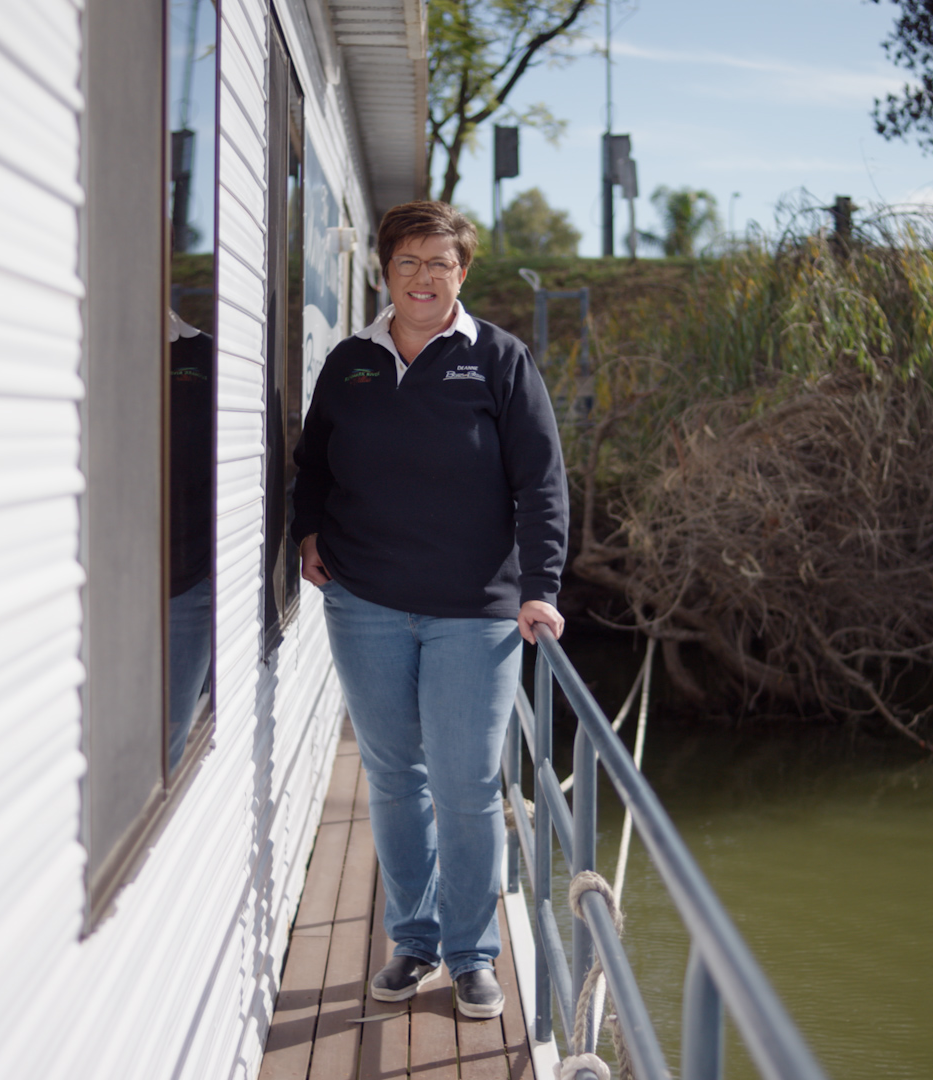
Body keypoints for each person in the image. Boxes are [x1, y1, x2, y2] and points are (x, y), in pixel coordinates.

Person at [290, 200, 569, 1020]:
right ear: (386, 270)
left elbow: (541, 484)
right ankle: (412, 940)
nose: (422, 278)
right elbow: (313, 463)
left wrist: (541, 588)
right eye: (407, 262)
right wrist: (307, 530)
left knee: (466, 785)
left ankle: (471, 952)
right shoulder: (351, 362)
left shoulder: (498, 360)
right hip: (365, 602)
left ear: (463, 272)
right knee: (395, 778)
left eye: (439, 263)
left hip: (473, 613)